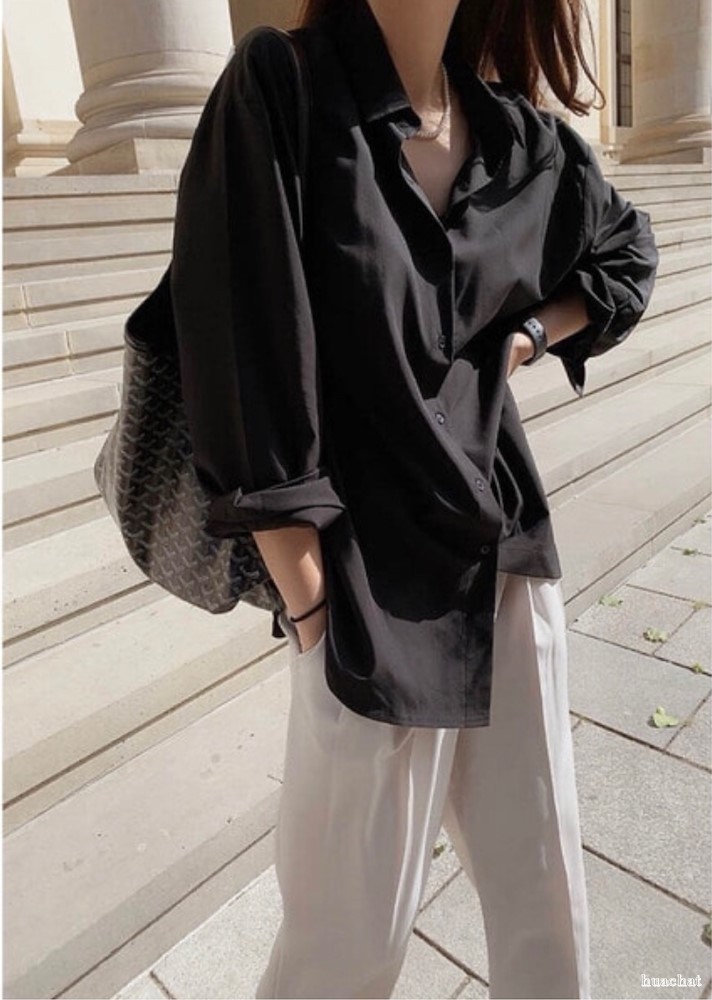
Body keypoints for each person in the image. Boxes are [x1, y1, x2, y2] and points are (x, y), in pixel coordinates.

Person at [169, 0, 660, 996]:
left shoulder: (522, 142)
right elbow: (240, 354)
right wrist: (311, 607)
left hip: (504, 560)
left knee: (545, 905)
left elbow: (626, 252)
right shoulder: (283, 88)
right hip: (365, 594)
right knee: (342, 949)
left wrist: (530, 336)